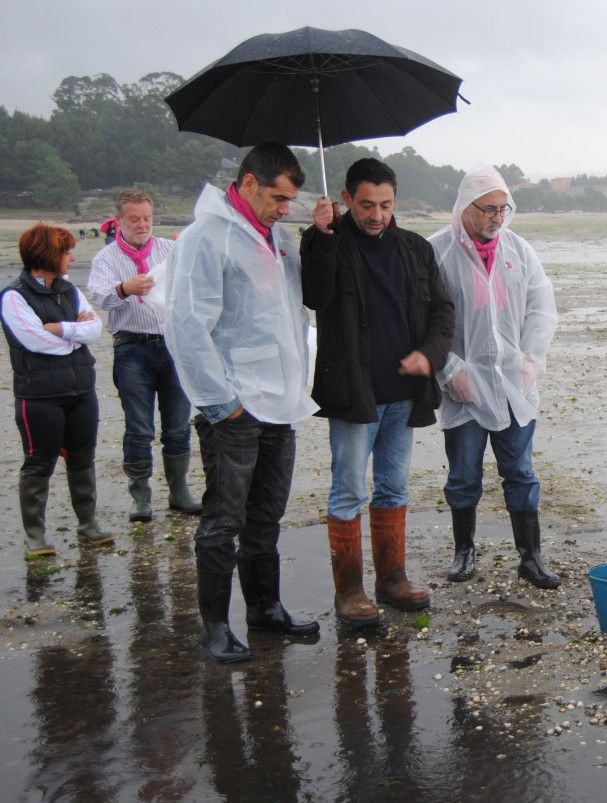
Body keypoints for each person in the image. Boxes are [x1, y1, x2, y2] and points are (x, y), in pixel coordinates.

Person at [164, 142, 320, 663]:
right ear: (248, 182)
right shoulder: (205, 237)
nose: (284, 208)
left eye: (291, 200)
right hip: (234, 404)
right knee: (224, 519)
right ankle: (213, 626)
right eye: (278, 197)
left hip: (281, 397)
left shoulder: (277, 238)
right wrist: (219, 402)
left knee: (267, 514)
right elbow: (186, 324)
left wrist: (322, 234)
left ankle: (265, 608)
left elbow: (295, 310)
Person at [301, 158, 455, 628]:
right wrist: (321, 238)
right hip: (353, 393)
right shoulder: (326, 243)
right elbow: (315, 296)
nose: (376, 214)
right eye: (366, 204)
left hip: (403, 393)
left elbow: (443, 310)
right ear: (346, 199)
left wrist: (430, 353)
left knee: (394, 486)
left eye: (385, 205)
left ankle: (392, 580)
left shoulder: (414, 249)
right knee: (348, 491)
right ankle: (349, 592)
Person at [428, 166, 560, 589]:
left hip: (514, 384)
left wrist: (531, 359)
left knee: (520, 472)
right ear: (466, 207)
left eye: (503, 210)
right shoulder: (438, 252)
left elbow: (542, 306)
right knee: (464, 475)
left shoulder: (518, 250)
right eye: (488, 209)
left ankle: (531, 555)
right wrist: (450, 370)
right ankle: (464, 550)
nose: (496, 218)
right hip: (464, 387)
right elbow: (424, 319)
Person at [87, 189, 202, 522]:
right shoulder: (106, 259)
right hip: (131, 347)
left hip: (172, 345)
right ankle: (141, 498)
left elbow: (195, 277)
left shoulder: (169, 249)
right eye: (134, 219)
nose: (142, 224)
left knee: (179, 425)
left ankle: (180, 492)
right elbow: (99, 296)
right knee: (138, 427)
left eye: (147, 218)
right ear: (120, 220)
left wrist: (191, 243)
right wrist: (125, 288)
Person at [2, 224, 112, 556]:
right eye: (66, 252)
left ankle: (88, 524)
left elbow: (95, 328)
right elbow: (35, 341)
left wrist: (63, 329)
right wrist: (73, 337)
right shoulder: (13, 296)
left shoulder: (69, 290)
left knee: (83, 458)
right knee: (39, 463)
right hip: (39, 396)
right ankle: (35, 535)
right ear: (47, 255)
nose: (71, 257)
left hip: (80, 390)